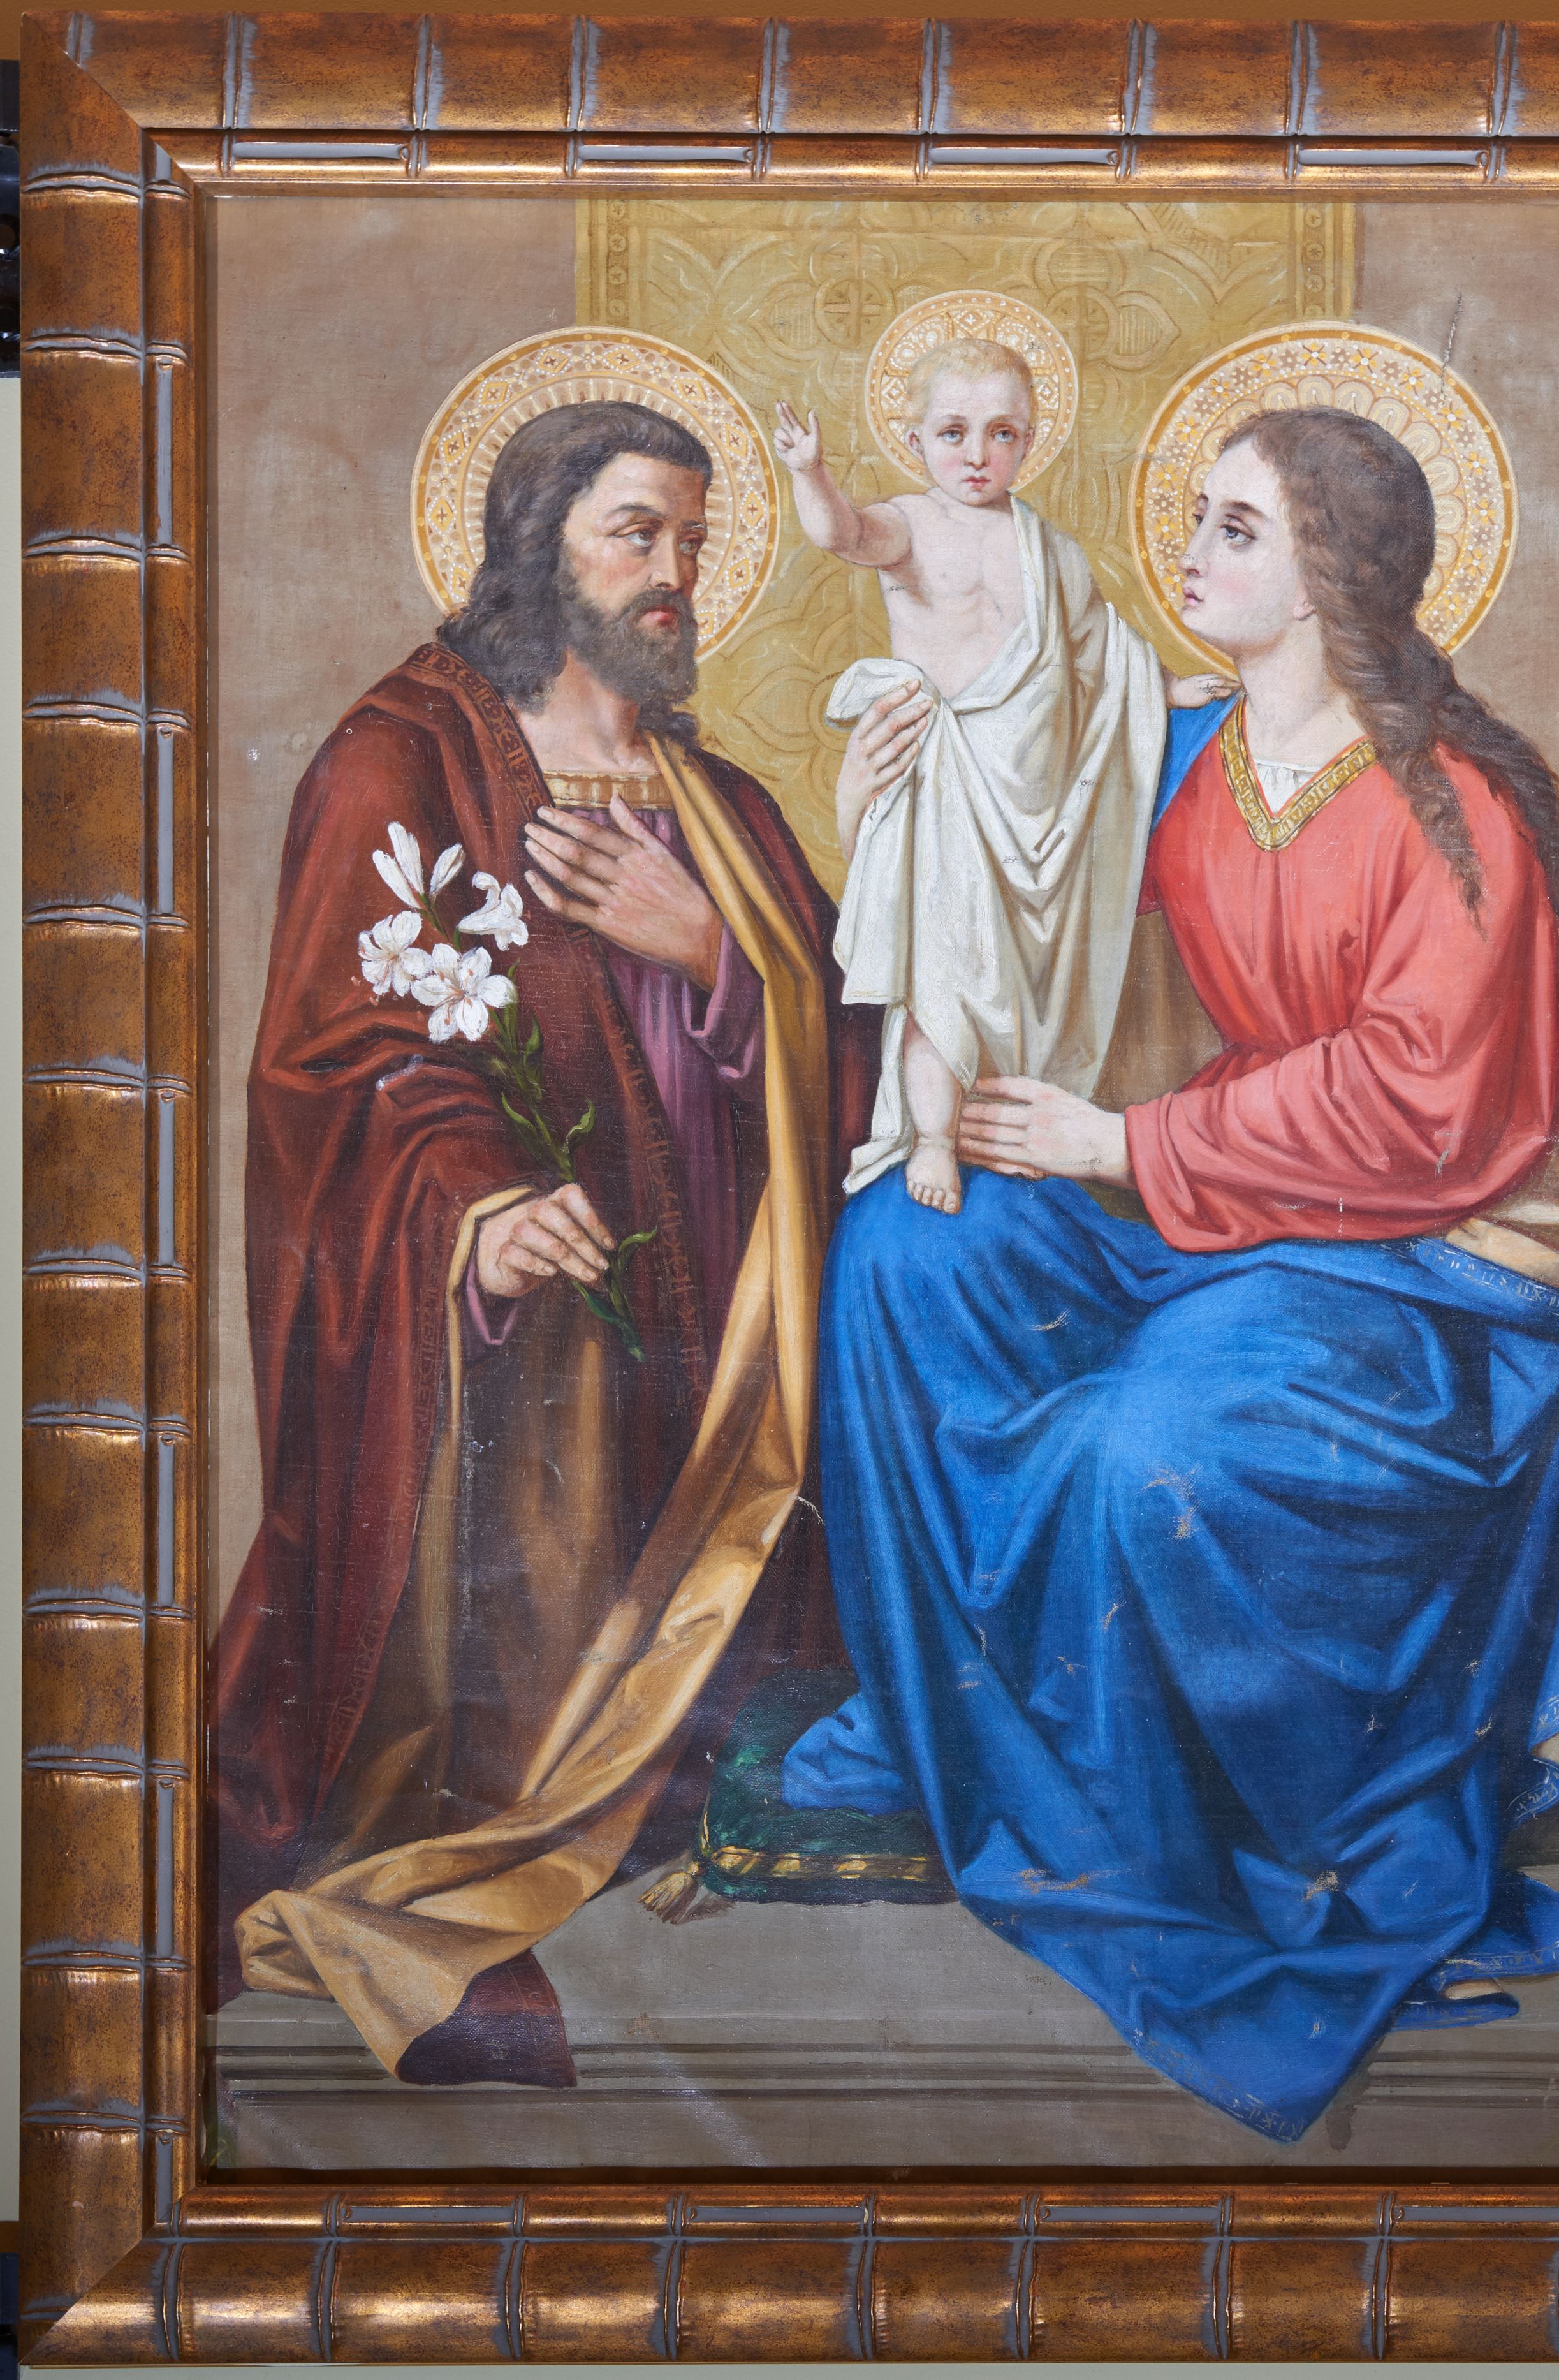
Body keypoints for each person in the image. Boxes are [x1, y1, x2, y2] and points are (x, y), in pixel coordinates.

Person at [783, 405, 1559, 2142]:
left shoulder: (1455, 805)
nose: (1191, 552)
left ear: (1333, 573)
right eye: (1198, 516)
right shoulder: (1185, 748)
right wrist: (885, 800)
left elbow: (1427, 1106)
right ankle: (947, 1705)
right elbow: (1019, 876)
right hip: (1220, 1192)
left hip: (1415, 1263)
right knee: (910, 1246)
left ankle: (1194, 1831)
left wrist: (1131, 1146)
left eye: (1237, 527)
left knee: (1146, 1446)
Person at [214, 400, 874, 2085]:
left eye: (694, 541)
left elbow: (853, 1064)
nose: (674, 574)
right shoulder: (406, 760)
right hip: (533, 1326)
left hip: (730, 1341)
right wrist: (481, 1202)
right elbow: (341, 1061)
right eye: (636, 533)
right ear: (536, 543)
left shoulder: (720, 805)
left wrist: (718, 952)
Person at [772, 340, 1228, 1216]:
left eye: (1002, 433)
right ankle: (933, 1138)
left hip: (1032, 796)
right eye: (954, 432)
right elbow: (841, 534)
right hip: (943, 784)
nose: (977, 454)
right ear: (916, 442)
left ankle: (1008, 1119)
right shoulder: (910, 525)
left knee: (1015, 978)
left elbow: (1098, 650)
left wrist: (1165, 689)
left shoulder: (1049, 550)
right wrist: (809, 472)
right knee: (939, 970)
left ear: (1029, 443)